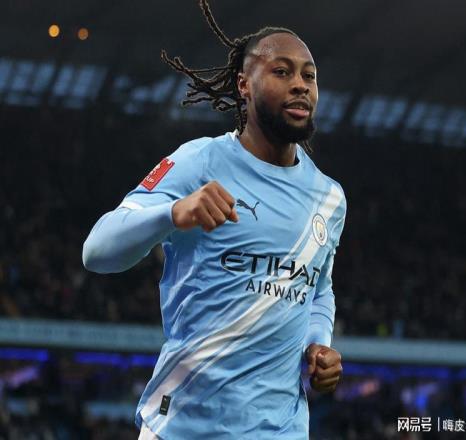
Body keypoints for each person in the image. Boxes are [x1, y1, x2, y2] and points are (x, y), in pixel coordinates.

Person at [82, 1, 346, 438]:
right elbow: (97, 252)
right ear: (244, 85)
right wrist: (173, 214)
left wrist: (320, 343)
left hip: (281, 428)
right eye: (282, 72)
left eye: (309, 75)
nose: (300, 85)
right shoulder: (198, 162)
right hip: (185, 425)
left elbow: (318, 289)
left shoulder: (330, 198)